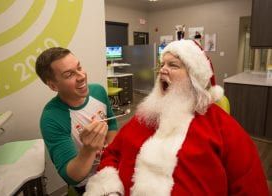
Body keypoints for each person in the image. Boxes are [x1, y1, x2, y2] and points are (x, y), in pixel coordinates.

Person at [84, 40, 269, 196]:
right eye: (162, 64)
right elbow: (112, 154)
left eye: (173, 65)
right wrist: (110, 190)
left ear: (194, 78)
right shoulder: (144, 117)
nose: (163, 70)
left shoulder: (223, 128)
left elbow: (250, 186)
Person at [35, 47, 118, 195]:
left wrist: (110, 157)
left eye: (79, 67)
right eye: (69, 74)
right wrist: (89, 149)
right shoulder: (51, 118)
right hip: (87, 183)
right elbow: (72, 177)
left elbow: (111, 124)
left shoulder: (98, 91)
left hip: (111, 167)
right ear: (53, 85)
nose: (81, 76)